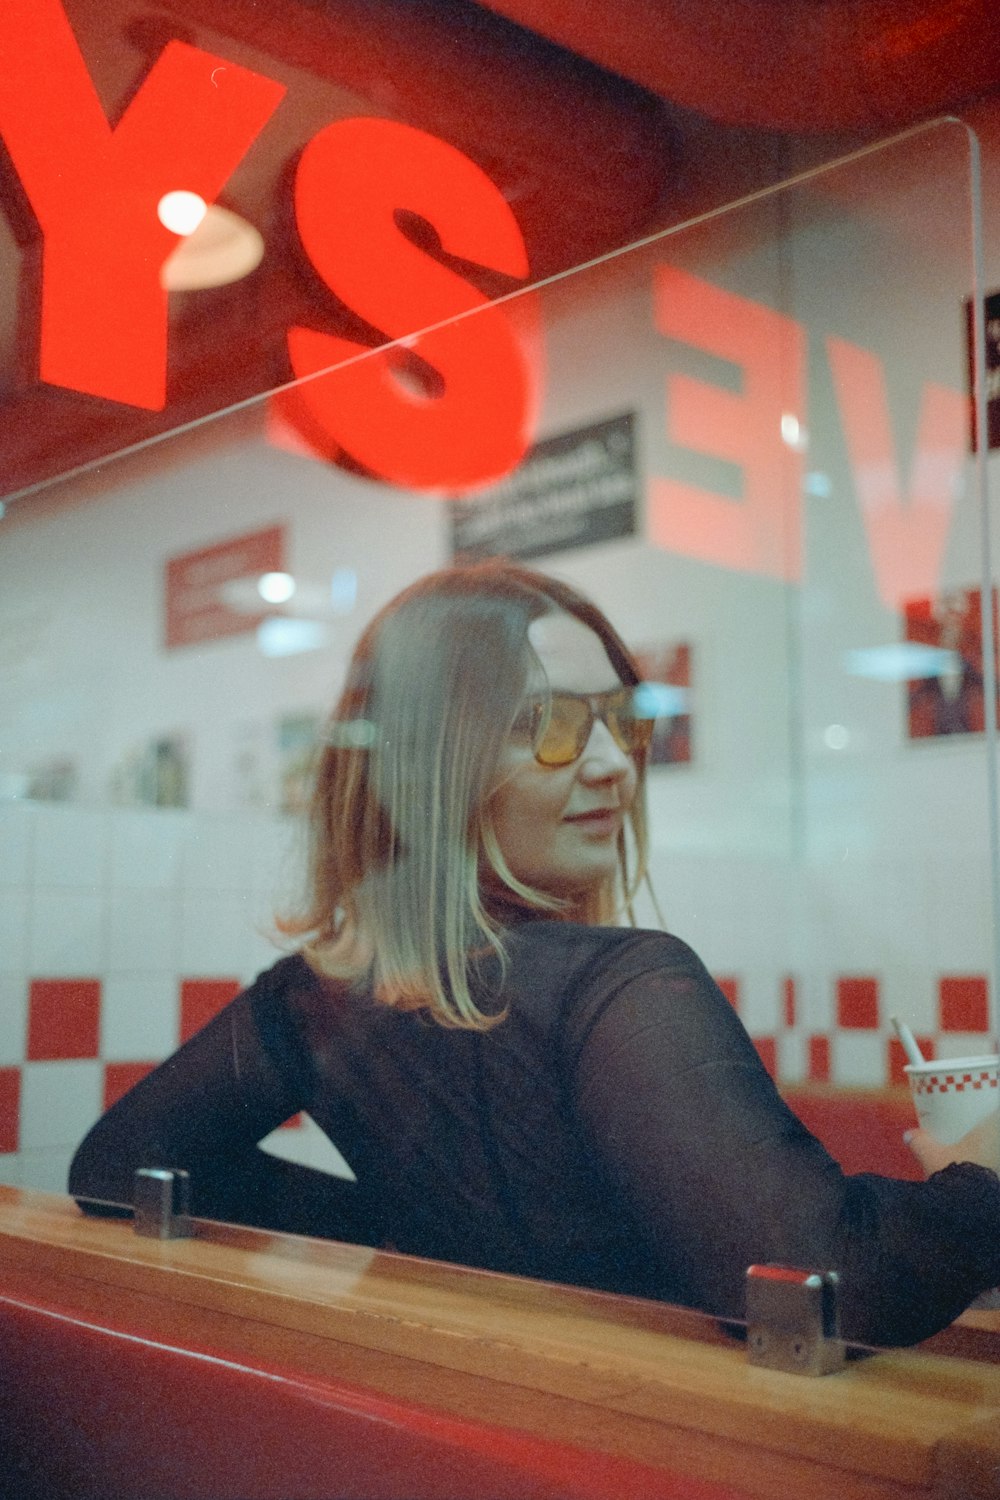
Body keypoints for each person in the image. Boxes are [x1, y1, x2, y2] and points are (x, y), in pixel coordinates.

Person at [69, 562, 1000, 1347]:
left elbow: (119, 1166)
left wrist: (408, 1232)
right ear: (433, 768)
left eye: (615, 718)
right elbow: (834, 1288)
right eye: (544, 726)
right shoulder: (625, 983)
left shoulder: (315, 997)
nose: (612, 763)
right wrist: (986, 1178)